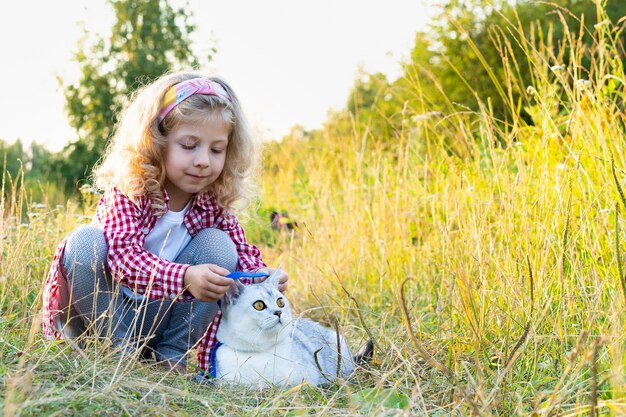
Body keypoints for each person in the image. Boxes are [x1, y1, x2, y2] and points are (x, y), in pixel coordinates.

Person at [42, 72, 288, 375]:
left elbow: (241, 254)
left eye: (216, 149)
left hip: (157, 318)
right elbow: (123, 259)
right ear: (157, 142)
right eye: (189, 145)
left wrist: (264, 280)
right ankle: (118, 353)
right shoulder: (130, 192)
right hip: (104, 314)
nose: (203, 160)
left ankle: (170, 354)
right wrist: (185, 276)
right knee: (83, 242)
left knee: (220, 246)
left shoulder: (213, 202)